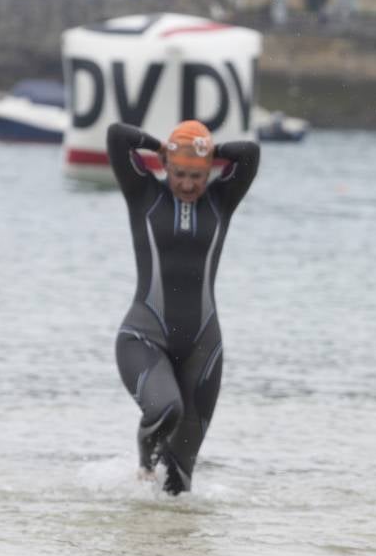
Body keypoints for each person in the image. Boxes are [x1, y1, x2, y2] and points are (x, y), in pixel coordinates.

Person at [107, 119, 261, 495]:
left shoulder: (221, 200)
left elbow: (250, 153)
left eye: (198, 175)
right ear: (165, 168)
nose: (189, 184)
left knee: (180, 488)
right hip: (144, 336)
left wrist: (205, 150)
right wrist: (163, 146)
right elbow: (117, 136)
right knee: (165, 410)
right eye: (179, 173)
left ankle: (177, 550)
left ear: (210, 172)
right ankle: (143, 463)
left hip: (204, 348)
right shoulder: (143, 193)